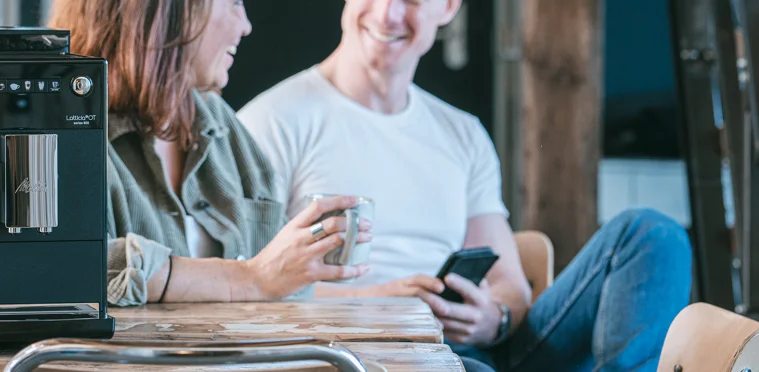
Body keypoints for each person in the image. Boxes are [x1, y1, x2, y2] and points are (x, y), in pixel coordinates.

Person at [236, 0, 692, 371]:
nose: (388, 14)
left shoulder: (463, 134)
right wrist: (385, 304)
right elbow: (249, 289)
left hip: (474, 350)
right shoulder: (271, 124)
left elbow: (509, 283)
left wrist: (492, 317)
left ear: (449, 7)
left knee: (651, 235)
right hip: (356, 355)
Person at [47, 0, 373, 307]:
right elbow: (58, 269)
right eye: (233, 3)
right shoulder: (61, 133)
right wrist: (250, 279)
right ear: (167, 12)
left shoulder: (219, 122)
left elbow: (281, 288)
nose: (245, 26)